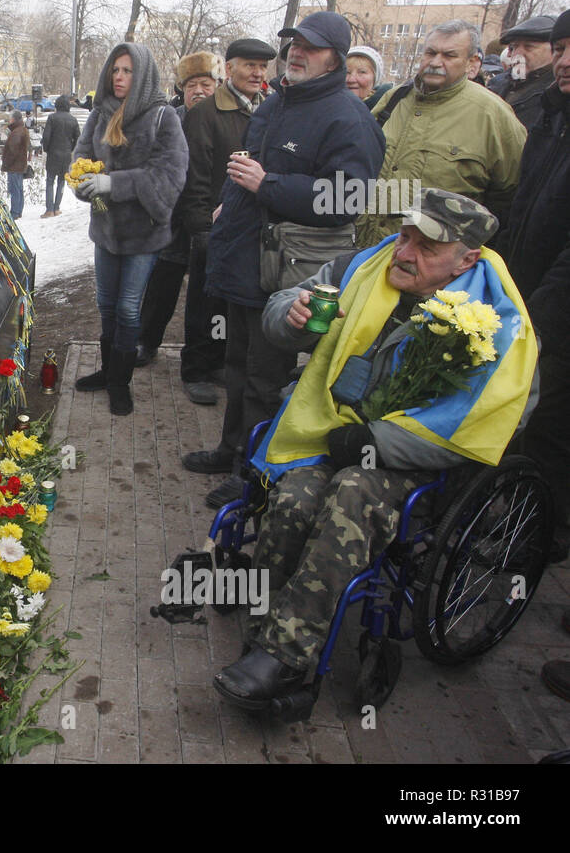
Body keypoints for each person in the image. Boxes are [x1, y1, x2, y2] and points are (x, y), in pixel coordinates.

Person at [212, 190, 537, 709]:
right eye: (405, 235)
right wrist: (288, 314)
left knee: (350, 492)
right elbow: (282, 306)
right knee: (294, 496)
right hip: (330, 434)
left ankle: (288, 657)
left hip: (413, 462)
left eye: (428, 246)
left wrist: (377, 442)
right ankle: (262, 636)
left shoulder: (497, 317)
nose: (405, 252)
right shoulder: (364, 265)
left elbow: (496, 412)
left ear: (467, 258)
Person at [186, 12, 386, 508]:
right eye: (293, 42)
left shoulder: (348, 116)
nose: (295, 51)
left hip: (287, 270)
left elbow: (347, 198)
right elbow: (249, 171)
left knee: (265, 376)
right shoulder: (276, 103)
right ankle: (232, 449)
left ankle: (255, 475)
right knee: (237, 363)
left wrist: (266, 185)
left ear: (334, 59)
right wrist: (231, 203)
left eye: (310, 47)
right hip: (244, 258)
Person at [139, 38, 277, 406]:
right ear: (230, 69)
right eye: (249, 65)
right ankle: (194, 366)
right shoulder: (204, 115)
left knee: (224, 300)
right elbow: (194, 175)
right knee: (194, 296)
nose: (257, 73)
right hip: (202, 225)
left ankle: (215, 359)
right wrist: (202, 227)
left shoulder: (266, 109)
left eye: (262, 67)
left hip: (243, 226)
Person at [70, 42, 189, 416]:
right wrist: (84, 182)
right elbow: (80, 156)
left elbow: (170, 177)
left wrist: (114, 184)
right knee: (106, 304)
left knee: (127, 309)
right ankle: (108, 373)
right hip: (105, 231)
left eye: (128, 71)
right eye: (115, 70)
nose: (119, 78)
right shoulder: (100, 114)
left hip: (143, 235)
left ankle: (121, 384)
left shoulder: (162, 117)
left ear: (144, 75)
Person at [493, 8, 570, 569]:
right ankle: (513, 516)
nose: (564, 62)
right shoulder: (550, 118)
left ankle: (540, 536)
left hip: (555, 313)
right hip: (525, 294)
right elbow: (522, 209)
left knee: (550, 429)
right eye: (562, 49)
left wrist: (539, 316)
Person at [359, 19, 526, 247]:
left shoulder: (493, 115)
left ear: (472, 62)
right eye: (430, 53)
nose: (436, 62)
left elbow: (509, 197)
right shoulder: (394, 98)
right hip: (366, 251)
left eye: (449, 55)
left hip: (434, 260)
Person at [488, 14, 556, 131]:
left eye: (529, 47)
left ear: (555, 50)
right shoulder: (497, 84)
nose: (517, 54)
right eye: (514, 47)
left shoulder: (558, 93)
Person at [39, 94, 80, 217]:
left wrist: (46, 148)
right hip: (66, 155)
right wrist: (70, 149)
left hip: (53, 154)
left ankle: (49, 209)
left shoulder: (52, 118)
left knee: (50, 181)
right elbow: (78, 138)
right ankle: (57, 208)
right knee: (61, 181)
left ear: (56, 105)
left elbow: (46, 137)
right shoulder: (73, 120)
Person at [173, 51, 220, 120]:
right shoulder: (172, 119)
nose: (198, 91)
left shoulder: (227, 118)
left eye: (205, 85)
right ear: (183, 89)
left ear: (217, 87)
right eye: (192, 85)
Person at [1, 109, 29, 220]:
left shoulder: (16, 132)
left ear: (13, 119)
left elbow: (13, 151)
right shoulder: (22, 129)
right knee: (19, 189)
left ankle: (15, 212)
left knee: (15, 190)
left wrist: (6, 163)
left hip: (14, 166)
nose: (9, 120)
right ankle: (19, 210)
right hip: (20, 165)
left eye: (10, 118)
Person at [345, 44, 392, 110]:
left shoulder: (387, 110)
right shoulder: (329, 105)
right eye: (347, 72)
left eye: (362, 72)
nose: (351, 79)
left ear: (375, 78)